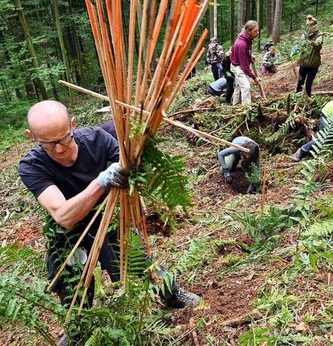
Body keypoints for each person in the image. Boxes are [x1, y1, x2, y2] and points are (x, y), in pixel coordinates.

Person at [18, 101, 200, 313]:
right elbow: (63, 215)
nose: (58, 148)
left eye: (64, 138)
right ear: (31, 137)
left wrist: (136, 159)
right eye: (48, 144)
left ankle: (171, 294)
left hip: (109, 216)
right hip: (70, 231)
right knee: (69, 280)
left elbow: (134, 171)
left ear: (73, 125)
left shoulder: (98, 140)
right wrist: (100, 181)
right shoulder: (32, 166)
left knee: (138, 259)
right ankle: (78, 325)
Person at [230, 20, 261, 105]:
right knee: (246, 87)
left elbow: (246, 53)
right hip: (238, 67)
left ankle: (235, 106)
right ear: (248, 31)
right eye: (255, 31)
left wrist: (249, 56)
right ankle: (246, 109)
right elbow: (244, 67)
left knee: (238, 86)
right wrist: (255, 78)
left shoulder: (247, 38)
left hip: (237, 64)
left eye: (258, 30)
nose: (257, 33)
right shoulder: (242, 44)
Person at [296, 15, 323, 97]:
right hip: (304, 63)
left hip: (313, 64)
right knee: (300, 82)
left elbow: (318, 45)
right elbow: (299, 46)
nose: (309, 28)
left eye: (311, 26)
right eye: (308, 26)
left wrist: (311, 42)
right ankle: (297, 97)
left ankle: (307, 98)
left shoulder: (319, 35)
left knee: (308, 84)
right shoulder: (304, 35)